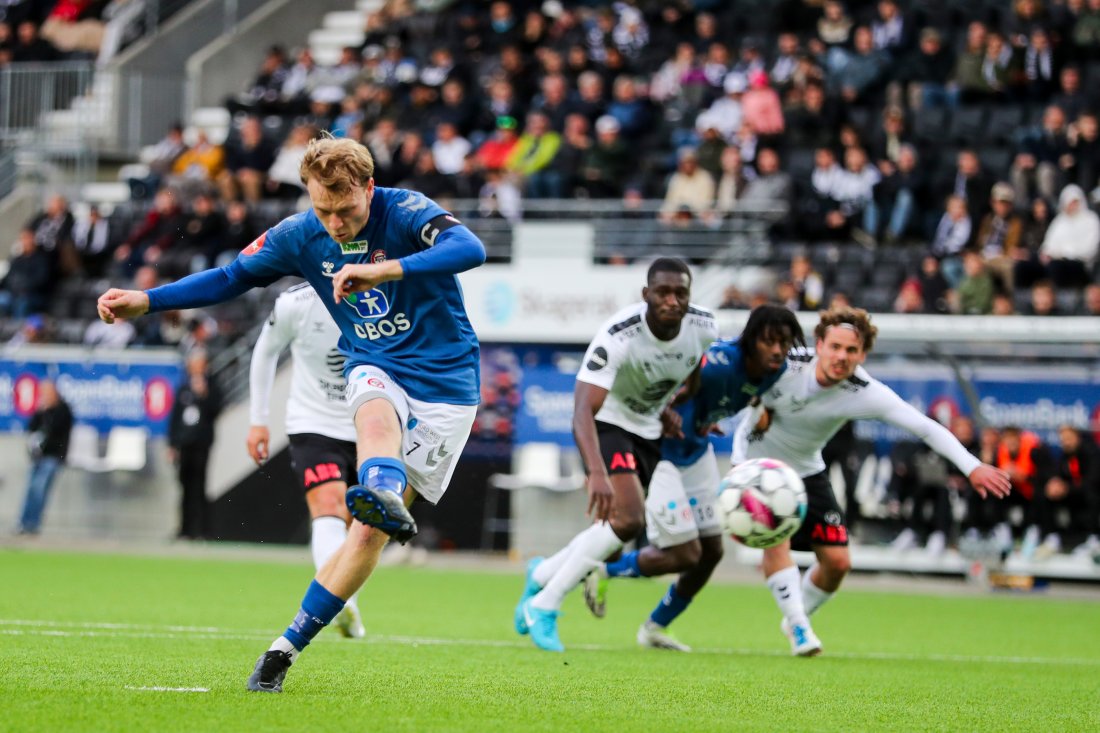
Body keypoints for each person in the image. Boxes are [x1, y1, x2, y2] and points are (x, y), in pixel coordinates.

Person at [96, 135, 486, 692]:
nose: (335, 223)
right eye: (322, 209)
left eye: (346, 209)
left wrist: (385, 270)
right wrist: (148, 300)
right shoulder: (298, 234)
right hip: (374, 363)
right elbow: (231, 278)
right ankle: (280, 651)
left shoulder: (404, 209)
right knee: (373, 415)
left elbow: (470, 248)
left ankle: (293, 636)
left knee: (365, 540)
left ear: (368, 189)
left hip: (447, 387)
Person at [732, 307, 1011, 656]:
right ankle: (801, 629)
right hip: (761, 469)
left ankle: (795, 616)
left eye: (851, 350)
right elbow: (736, 387)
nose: (841, 356)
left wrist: (972, 466)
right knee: (777, 541)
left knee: (838, 563)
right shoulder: (785, 364)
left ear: (862, 354)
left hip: (807, 469)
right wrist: (733, 452)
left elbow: (923, 427)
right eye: (834, 346)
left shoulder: (863, 390)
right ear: (819, 345)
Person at [513, 258, 718, 653]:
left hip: (649, 430)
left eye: (681, 293)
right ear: (646, 295)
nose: (673, 301)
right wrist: (596, 472)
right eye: (663, 292)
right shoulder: (620, 333)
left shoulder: (704, 326)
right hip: (607, 424)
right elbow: (581, 411)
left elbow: (691, 366)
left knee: (618, 527)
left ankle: (544, 571)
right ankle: (545, 604)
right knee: (628, 519)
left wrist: (674, 406)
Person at [581, 305, 805, 652]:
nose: (777, 350)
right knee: (685, 553)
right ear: (751, 341)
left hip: (696, 450)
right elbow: (677, 376)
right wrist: (669, 407)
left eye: (784, 343)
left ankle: (654, 627)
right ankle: (598, 570)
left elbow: (746, 393)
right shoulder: (717, 363)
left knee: (711, 552)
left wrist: (746, 411)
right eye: (769, 341)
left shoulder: (775, 370)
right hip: (663, 454)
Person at [247, 284, 364, 638]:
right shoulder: (294, 304)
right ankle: (342, 604)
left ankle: (345, 596)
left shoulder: (384, 293)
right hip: (313, 424)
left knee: (357, 522)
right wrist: (257, 420)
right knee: (328, 506)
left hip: (370, 422)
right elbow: (265, 351)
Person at [168, 350, 224, 541]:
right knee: (185, 487)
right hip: (185, 443)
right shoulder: (184, 388)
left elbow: (216, 409)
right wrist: (172, 443)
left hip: (202, 443)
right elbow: (175, 417)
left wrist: (204, 394)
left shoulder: (212, 386)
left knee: (200, 486)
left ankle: (203, 530)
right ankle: (185, 529)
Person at [16, 381, 74, 535]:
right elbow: (31, 427)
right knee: (30, 490)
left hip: (53, 456)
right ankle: (23, 523)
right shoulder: (42, 410)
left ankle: (33, 524)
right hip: (38, 457)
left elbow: (56, 430)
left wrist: (49, 411)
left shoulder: (63, 410)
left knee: (39, 490)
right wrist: (41, 411)